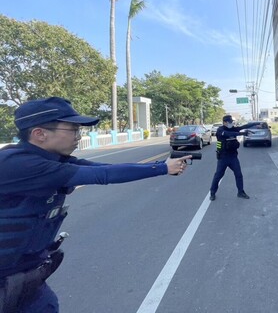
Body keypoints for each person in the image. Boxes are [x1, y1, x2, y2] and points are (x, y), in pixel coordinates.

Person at [0, 97, 191, 313]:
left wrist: (162, 165)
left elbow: (105, 168)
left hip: (24, 277)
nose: (78, 136)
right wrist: (163, 169)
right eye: (72, 129)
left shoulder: (54, 159)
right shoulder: (18, 164)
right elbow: (102, 175)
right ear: (39, 134)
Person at [209, 115, 257, 201]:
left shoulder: (233, 128)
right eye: (229, 122)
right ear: (224, 122)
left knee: (238, 174)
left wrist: (254, 124)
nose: (231, 124)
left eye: (231, 122)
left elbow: (243, 127)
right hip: (223, 157)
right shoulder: (220, 130)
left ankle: (240, 192)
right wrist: (242, 133)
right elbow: (229, 134)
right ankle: (212, 193)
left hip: (233, 157)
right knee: (218, 176)